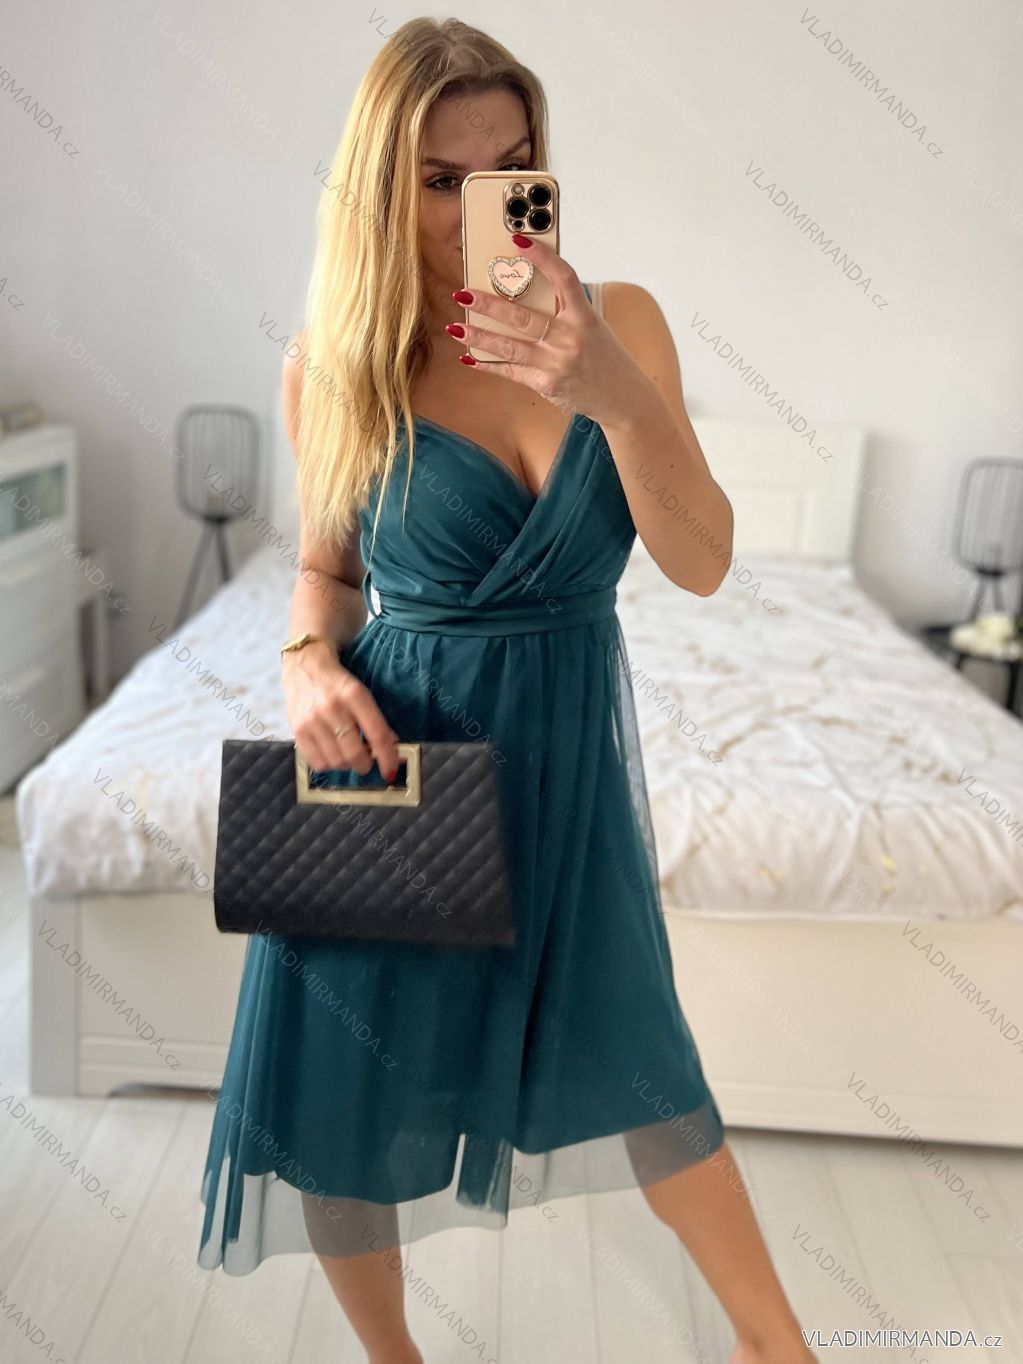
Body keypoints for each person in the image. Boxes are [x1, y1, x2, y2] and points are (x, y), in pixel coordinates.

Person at [198, 17, 818, 1364]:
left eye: (512, 166)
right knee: (341, 1086)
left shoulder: (622, 323)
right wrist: (306, 664)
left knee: (650, 1066)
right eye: (442, 178)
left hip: (569, 760)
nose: (483, 204)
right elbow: (324, 574)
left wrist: (616, 396)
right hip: (398, 757)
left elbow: (703, 562)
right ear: (381, 184)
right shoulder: (334, 365)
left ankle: (781, 1349)